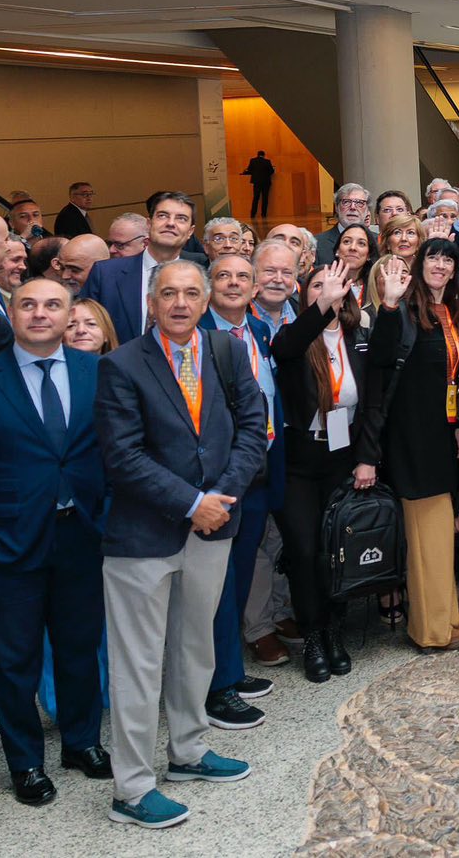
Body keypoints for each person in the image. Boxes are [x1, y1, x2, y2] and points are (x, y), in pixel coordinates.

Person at [94, 260, 264, 829]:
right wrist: (193, 503)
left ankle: (188, 752)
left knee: (196, 647)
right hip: (143, 537)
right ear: (152, 301)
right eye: (169, 293)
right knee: (138, 664)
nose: (181, 303)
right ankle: (132, 788)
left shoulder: (226, 351)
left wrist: (221, 497)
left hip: (215, 527)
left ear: (206, 299)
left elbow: (252, 427)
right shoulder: (121, 364)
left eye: (192, 293)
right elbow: (122, 456)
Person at [0, 278, 113, 805]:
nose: (40, 313)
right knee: (14, 661)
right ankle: (26, 764)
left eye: (53, 305)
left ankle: (82, 743)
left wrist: (105, 517)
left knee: (79, 649)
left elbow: (114, 452)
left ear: (68, 315)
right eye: (28, 304)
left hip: (81, 536)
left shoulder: (96, 371)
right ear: (12, 314)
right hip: (5, 546)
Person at [357, 245, 459, 654]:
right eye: (432, 258)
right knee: (426, 537)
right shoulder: (404, 311)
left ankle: (449, 614)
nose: (440, 265)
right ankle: (430, 628)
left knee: (441, 532)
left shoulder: (450, 312)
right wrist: (389, 305)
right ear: (419, 265)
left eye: (448, 259)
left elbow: (452, 377)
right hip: (410, 436)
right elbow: (379, 359)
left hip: (441, 433)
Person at [196, 254, 283, 730]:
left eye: (242, 277)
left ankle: (229, 668)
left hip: (258, 472)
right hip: (219, 479)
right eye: (223, 276)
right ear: (210, 286)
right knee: (217, 583)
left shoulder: (259, 331)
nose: (234, 283)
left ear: (254, 289)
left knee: (241, 574)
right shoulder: (199, 335)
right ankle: (216, 685)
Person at [268, 263, 363, 682]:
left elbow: (374, 402)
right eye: (318, 286)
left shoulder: (356, 337)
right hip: (299, 462)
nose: (328, 290)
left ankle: (335, 630)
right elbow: (285, 348)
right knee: (304, 551)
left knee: (334, 549)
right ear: (306, 295)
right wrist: (320, 308)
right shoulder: (294, 337)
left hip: (342, 457)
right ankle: (312, 635)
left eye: (335, 285)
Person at [80, 191, 206, 343]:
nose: (171, 223)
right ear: (149, 224)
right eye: (162, 216)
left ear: (190, 232)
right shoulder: (105, 274)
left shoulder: (202, 276)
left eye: (181, 218)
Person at [314, 184, 375, 265]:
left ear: (367, 210)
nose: (353, 207)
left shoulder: (378, 241)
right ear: (336, 207)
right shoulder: (317, 244)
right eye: (346, 202)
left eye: (359, 203)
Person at [240, 152, 276, 221]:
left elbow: (249, 170)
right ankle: (264, 214)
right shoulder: (267, 161)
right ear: (264, 155)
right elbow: (271, 171)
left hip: (256, 182)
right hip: (266, 182)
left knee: (256, 198)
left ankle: (253, 214)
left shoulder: (253, 160)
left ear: (257, 155)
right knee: (265, 198)